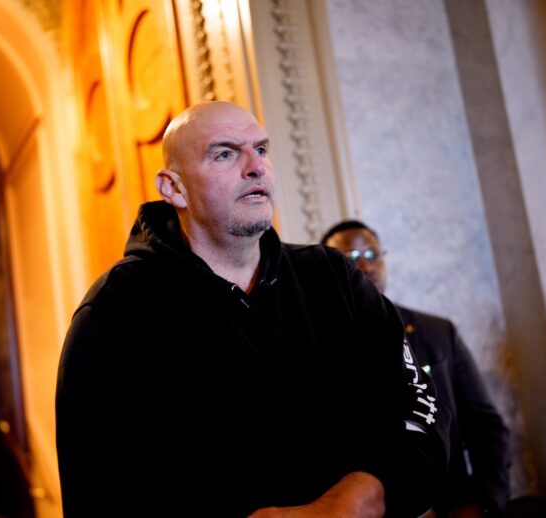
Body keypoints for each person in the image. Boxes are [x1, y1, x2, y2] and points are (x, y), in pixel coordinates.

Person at [56, 101, 448, 517]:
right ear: (173, 188)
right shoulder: (112, 315)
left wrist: (349, 503)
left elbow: (418, 410)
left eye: (261, 150)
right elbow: (100, 496)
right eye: (225, 153)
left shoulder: (333, 277)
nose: (256, 167)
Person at [321, 220, 511, 518]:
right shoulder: (320, 345)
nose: (366, 267)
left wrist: (483, 503)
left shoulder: (438, 332)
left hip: (451, 505)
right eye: (351, 258)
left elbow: (486, 425)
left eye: (372, 255)